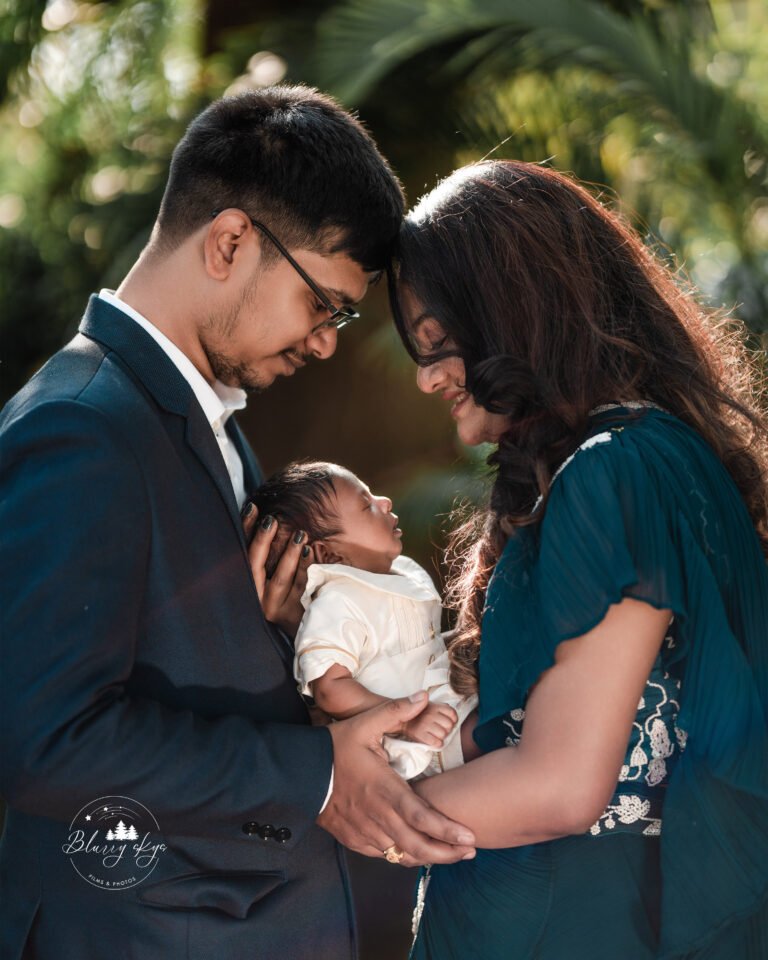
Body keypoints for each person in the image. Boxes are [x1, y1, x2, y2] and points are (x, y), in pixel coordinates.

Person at [0, 86, 476, 960]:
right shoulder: (81, 427)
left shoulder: (199, 423)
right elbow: (43, 739)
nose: (329, 342)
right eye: (325, 304)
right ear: (229, 242)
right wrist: (318, 773)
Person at [388, 160, 768, 959]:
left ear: (510, 311)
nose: (426, 379)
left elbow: (559, 785)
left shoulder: (616, 471)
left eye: (438, 343)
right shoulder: (641, 459)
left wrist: (346, 807)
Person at [247, 460, 477, 780]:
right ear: (329, 555)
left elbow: (420, 646)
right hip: (424, 741)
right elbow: (330, 689)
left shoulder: (396, 575)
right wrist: (407, 720)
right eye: (367, 505)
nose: (385, 502)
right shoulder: (337, 604)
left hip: (451, 702)